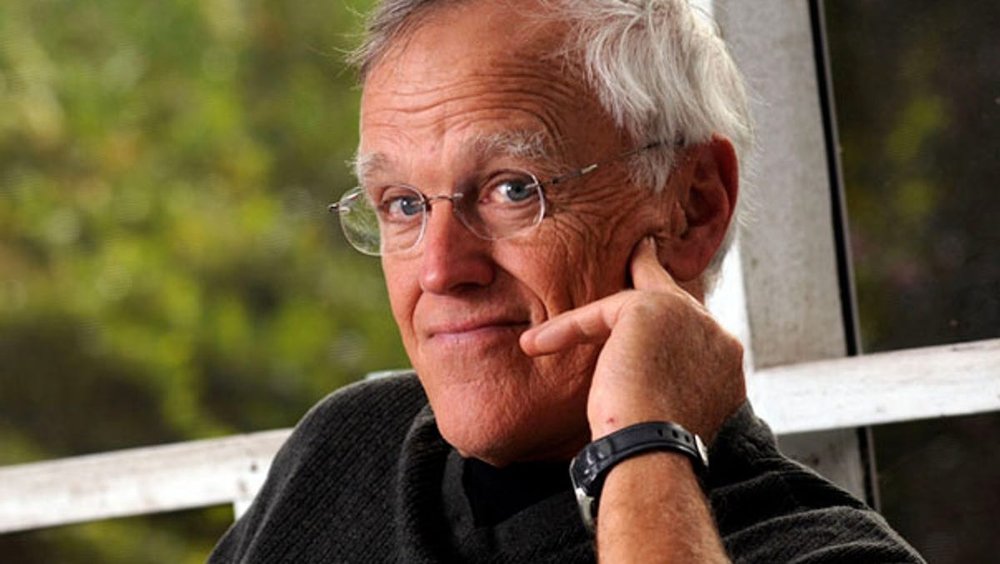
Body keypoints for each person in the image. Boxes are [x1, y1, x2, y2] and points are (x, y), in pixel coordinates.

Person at [211, 0, 924, 561]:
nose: (439, 270)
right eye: (403, 205)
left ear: (693, 207)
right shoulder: (345, 451)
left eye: (512, 189)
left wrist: (644, 444)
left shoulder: (825, 551)